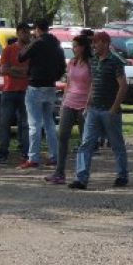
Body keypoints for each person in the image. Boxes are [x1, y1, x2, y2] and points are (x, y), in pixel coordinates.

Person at [70, 31, 129, 189]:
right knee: (86, 144)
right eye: (93, 43)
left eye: (96, 42)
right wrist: (87, 104)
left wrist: (114, 109)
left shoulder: (115, 62)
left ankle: (122, 175)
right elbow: (93, 84)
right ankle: (81, 178)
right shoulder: (94, 61)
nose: (93, 46)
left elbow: (123, 86)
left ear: (105, 43)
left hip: (109, 111)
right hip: (94, 110)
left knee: (116, 144)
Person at [18, 18, 66, 169]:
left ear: (37, 29)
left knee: (34, 124)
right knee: (49, 123)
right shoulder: (56, 44)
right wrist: (54, 77)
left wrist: (32, 41)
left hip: (35, 86)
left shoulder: (37, 42)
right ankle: (54, 156)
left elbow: (21, 57)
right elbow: (62, 66)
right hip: (50, 86)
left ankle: (33, 157)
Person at [46, 34, 92, 185]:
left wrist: (89, 104)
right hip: (69, 102)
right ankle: (59, 172)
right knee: (62, 136)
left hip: (84, 104)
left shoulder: (90, 63)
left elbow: (93, 85)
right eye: (73, 46)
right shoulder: (71, 62)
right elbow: (68, 83)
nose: (73, 49)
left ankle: (82, 174)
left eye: (76, 46)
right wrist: (63, 102)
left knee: (84, 141)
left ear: (83, 47)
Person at [0, 23, 31, 165]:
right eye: (23, 32)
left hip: (26, 91)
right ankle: (2, 153)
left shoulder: (31, 51)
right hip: (9, 90)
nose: (26, 35)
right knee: (4, 123)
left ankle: (25, 152)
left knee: (25, 124)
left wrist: (13, 69)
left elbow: (30, 71)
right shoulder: (8, 50)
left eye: (27, 32)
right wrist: (20, 71)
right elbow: (4, 70)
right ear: (17, 33)